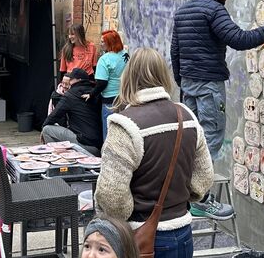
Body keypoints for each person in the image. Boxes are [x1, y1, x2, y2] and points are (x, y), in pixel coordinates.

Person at [170, 0, 264, 220]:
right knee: (211, 137)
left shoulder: (183, 10)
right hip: (209, 84)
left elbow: (174, 50)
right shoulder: (213, 10)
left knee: (191, 137)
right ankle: (199, 198)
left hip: (189, 83)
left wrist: (182, 81)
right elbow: (238, 39)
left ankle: (184, 191)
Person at [95, 48, 213, 258]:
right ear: (163, 76)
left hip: (142, 238)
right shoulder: (187, 116)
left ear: (128, 77)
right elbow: (203, 180)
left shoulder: (124, 124)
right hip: (184, 233)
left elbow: (112, 197)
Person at [41, 69, 103, 153]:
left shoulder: (71, 95)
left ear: (78, 80)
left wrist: (42, 129)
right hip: (99, 145)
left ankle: (57, 157)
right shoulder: (95, 92)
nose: (69, 82)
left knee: (47, 129)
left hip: (84, 144)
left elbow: (53, 116)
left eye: (71, 79)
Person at [87, 30, 129, 142]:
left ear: (110, 43)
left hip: (110, 102)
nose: (100, 44)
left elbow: (102, 83)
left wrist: (91, 94)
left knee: (109, 134)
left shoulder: (104, 59)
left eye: (103, 42)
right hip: (125, 99)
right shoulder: (125, 55)